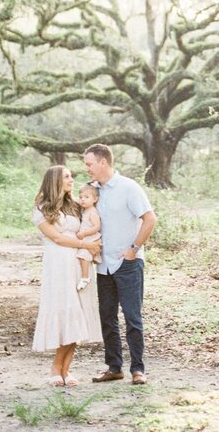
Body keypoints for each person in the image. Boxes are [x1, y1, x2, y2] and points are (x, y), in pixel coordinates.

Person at [83, 143, 158, 386]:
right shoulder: (93, 191)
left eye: (89, 164)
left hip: (127, 264)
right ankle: (114, 367)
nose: (87, 169)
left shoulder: (129, 187)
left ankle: (138, 369)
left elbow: (150, 219)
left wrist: (134, 250)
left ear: (103, 162)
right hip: (103, 265)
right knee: (107, 317)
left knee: (133, 317)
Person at [32, 165, 103, 386]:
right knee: (64, 310)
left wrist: (92, 245)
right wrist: (85, 244)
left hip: (78, 262)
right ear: (54, 181)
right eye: (66, 176)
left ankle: (67, 368)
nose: (71, 179)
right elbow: (58, 239)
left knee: (78, 312)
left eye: (72, 176)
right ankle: (56, 367)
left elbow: (93, 219)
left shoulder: (75, 205)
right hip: (58, 264)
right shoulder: (42, 209)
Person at [76, 183, 102, 292]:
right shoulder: (85, 210)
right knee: (82, 255)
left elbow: (97, 227)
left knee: (83, 255)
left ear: (95, 199)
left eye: (87, 197)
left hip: (91, 237)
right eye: (81, 197)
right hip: (87, 237)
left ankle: (85, 277)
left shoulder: (92, 212)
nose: (83, 200)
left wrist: (84, 234)